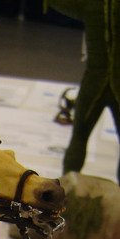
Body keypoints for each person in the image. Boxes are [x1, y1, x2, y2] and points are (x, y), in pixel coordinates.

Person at [47, 0, 120, 183]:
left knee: (79, 137)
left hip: (94, 82)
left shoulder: (91, 4)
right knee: (79, 138)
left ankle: (66, 189)